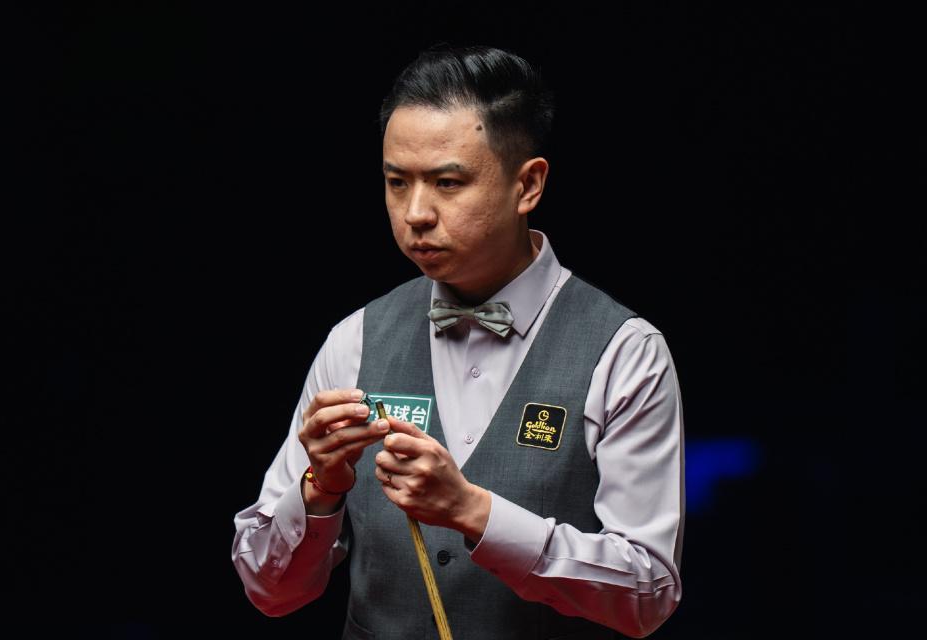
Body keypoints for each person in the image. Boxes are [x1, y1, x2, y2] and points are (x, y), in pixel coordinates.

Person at [232, 44, 685, 639]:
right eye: (397, 182)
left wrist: (474, 512)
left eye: (447, 182)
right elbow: (270, 592)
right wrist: (320, 489)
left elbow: (648, 594)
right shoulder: (355, 340)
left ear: (528, 185)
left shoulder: (624, 352)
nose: (416, 212)